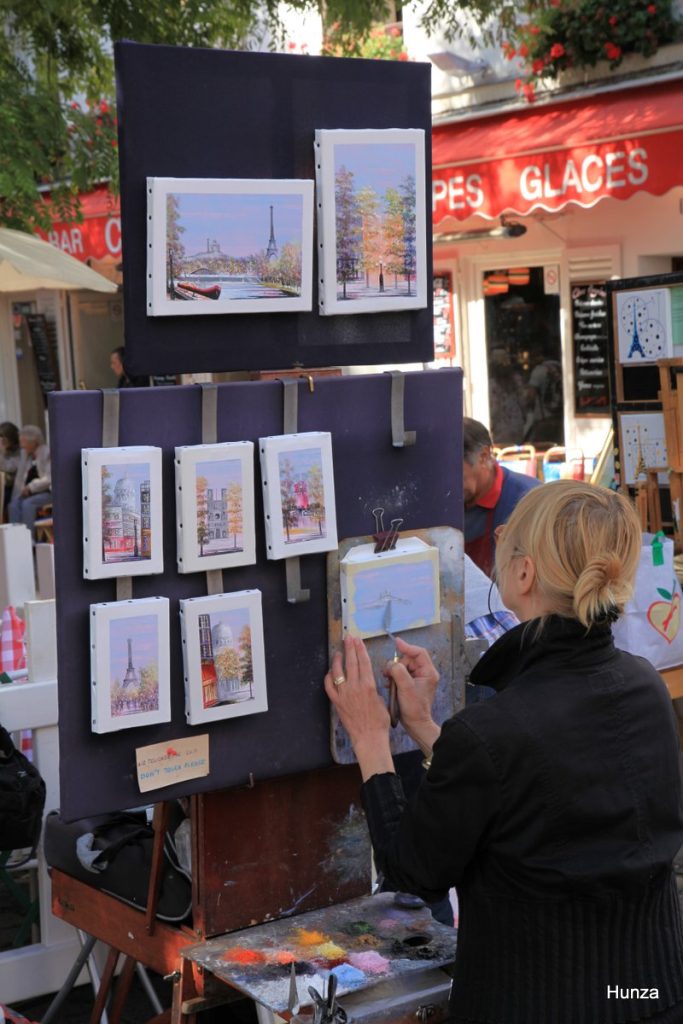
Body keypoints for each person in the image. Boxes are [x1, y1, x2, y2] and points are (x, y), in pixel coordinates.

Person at [325, 481, 683, 1024]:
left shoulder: (493, 731)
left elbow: (411, 877)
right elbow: (532, 792)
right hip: (648, 992)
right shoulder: (646, 687)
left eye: (506, 541)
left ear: (524, 573)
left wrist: (371, 738)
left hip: (539, 1003)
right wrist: (424, 727)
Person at [463, 417, 540, 577]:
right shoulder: (445, 502)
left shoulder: (528, 500)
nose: (445, 482)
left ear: (483, 456)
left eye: (453, 472)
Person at [8, 425, 51, 537]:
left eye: (24, 442)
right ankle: (15, 537)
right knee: (13, 505)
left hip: (47, 492)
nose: (22, 445)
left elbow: (49, 478)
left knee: (27, 504)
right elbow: (9, 466)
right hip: (30, 493)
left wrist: (30, 487)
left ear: (34, 442)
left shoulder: (46, 453)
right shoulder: (26, 455)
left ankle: (27, 539)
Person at [0, 422, 20, 517]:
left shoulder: (20, 450)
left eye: (4, 438)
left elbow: (10, 468)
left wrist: (2, 452)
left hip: (12, 486)